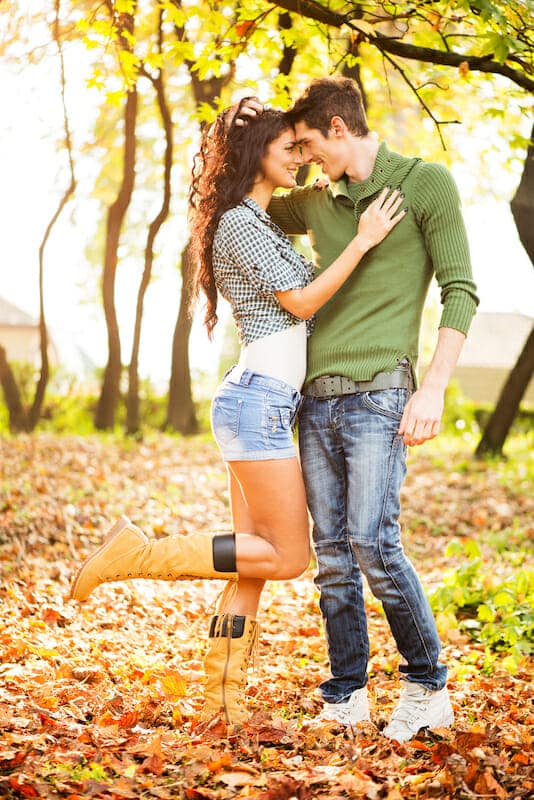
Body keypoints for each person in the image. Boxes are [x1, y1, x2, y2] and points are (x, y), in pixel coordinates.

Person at [69, 102, 405, 725]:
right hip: (260, 402)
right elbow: (302, 303)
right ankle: (135, 557)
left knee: (252, 563)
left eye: (303, 150)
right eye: (288, 148)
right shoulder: (239, 224)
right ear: (257, 154)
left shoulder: (258, 221)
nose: (299, 158)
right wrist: (363, 241)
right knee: (287, 559)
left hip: (262, 401)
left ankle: (222, 701)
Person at [235, 77, 479, 742]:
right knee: (334, 556)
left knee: (375, 543)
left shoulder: (426, 184)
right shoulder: (315, 203)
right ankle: (346, 695)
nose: (307, 158)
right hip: (315, 402)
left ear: (339, 129)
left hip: (382, 392)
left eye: (310, 144)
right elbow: (242, 203)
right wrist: (250, 132)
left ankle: (428, 687)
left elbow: (461, 290)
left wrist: (432, 389)